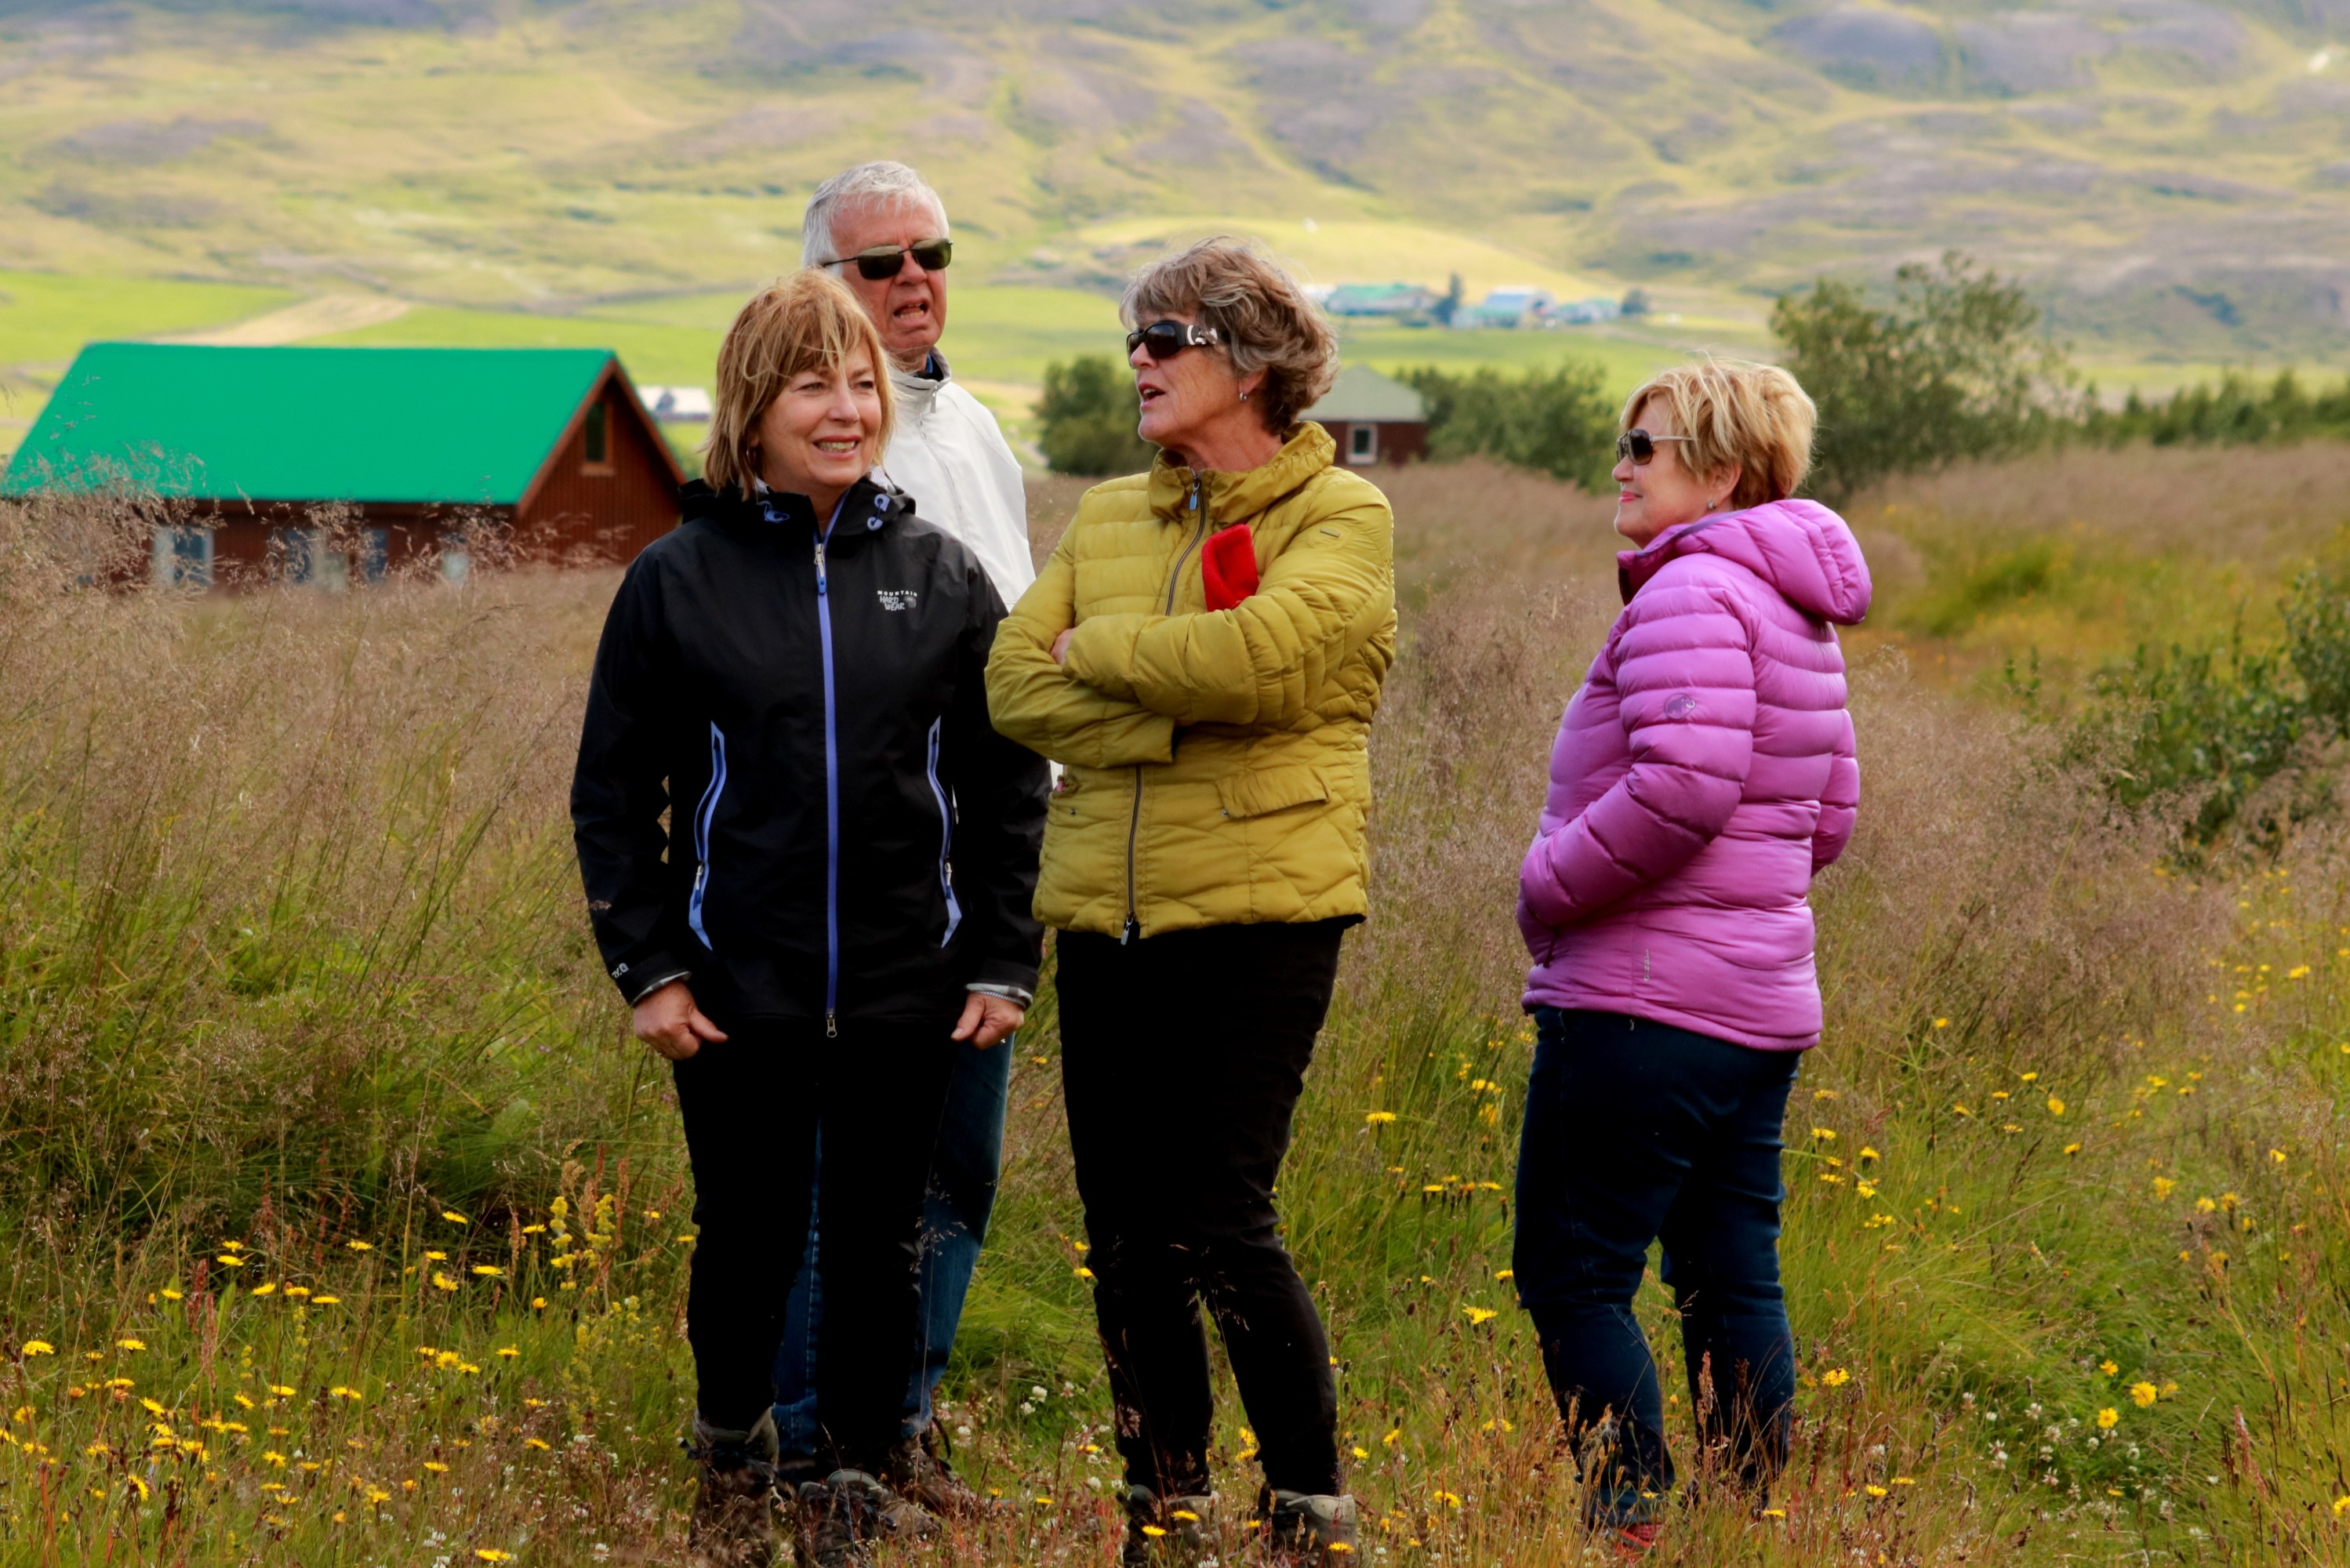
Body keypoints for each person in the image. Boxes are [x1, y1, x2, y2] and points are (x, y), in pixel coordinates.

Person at [570, 269, 1048, 1568]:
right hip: (738, 986)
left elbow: (1005, 787)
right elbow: (613, 793)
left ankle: (849, 1480)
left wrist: (1000, 957)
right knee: (749, 1240)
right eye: (810, 387)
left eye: (859, 384)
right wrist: (650, 968)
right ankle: (731, 1463)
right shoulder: (676, 580)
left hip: (908, 982)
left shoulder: (941, 575)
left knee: (881, 1243)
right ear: (751, 408)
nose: (845, 410)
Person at [986, 237, 1397, 1568]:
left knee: (1221, 1219)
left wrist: (1101, 652)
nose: (1138, 362)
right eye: (1133, 339)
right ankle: (1160, 1511)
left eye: (1163, 339)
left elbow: (1265, 659)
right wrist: (1170, 722)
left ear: (1251, 360)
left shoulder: (1340, 515)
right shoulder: (1109, 512)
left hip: (1263, 915)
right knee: (1124, 1237)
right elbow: (1011, 685)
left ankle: (1308, 1508)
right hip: (1106, 914)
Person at [1509, 360, 1870, 1558]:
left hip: (1640, 1004)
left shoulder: (1690, 591)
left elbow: (1682, 787)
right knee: (1730, 1279)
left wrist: (1548, 882)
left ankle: (1630, 1525)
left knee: (1573, 1276)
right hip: (1757, 1006)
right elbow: (1827, 819)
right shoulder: (1791, 608)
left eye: (1643, 448)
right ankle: (1742, 1528)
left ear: (1718, 473)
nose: (1619, 467)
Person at [769, 158, 1037, 1509]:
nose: (913, 280)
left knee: (956, 1168)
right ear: (821, 282)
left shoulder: (975, 429)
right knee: (835, 1188)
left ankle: (903, 1427)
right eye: (879, 263)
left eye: (932, 252)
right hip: (858, 883)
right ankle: (807, 1442)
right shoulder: (815, 449)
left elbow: (1019, 657)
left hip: (988, 864)